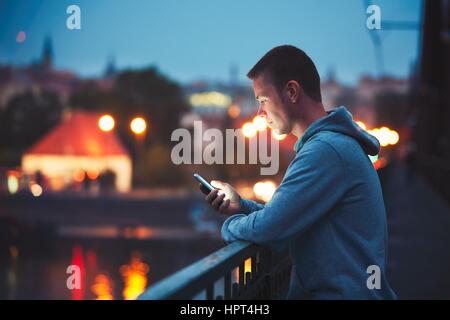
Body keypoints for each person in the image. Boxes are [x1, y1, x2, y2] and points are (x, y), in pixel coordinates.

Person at [200, 45, 397, 299]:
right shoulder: (330, 145)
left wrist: (229, 226)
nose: (260, 113)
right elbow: (289, 215)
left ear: (291, 91)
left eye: (263, 100)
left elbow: (270, 228)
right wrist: (241, 206)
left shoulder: (325, 151)